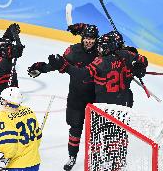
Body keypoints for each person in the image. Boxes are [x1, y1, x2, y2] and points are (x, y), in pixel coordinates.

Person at [48, 31, 148, 170]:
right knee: (118, 136)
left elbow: (82, 74)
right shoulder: (126, 55)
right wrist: (139, 67)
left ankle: (96, 162)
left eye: (103, 46)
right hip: (123, 107)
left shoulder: (101, 61)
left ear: (110, 47)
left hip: (103, 108)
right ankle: (117, 163)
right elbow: (143, 60)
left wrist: (65, 67)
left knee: (97, 137)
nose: (99, 49)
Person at [27, 23, 99, 171]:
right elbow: (58, 64)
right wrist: (42, 68)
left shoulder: (102, 51)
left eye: (92, 38)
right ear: (82, 37)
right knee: (75, 128)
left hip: (96, 98)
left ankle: (96, 158)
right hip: (76, 97)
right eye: (86, 38)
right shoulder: (73, 51)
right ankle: (72, 157)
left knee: (96, 131)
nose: (89, 41)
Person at [0, 87, 42, 171]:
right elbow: (38, 137)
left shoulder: (1, 117)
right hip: (34, 162)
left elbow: (9, 146)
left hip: (16, 166)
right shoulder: (28, 111)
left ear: (4, 101)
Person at [0, 23, 25, 115]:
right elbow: (4, 66)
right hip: (0, 100)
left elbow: (6, 43)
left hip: (13, 97)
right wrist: (13, 53)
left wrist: (11, 33)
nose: (10, 47)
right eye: (7, 48)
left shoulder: (2, 54)